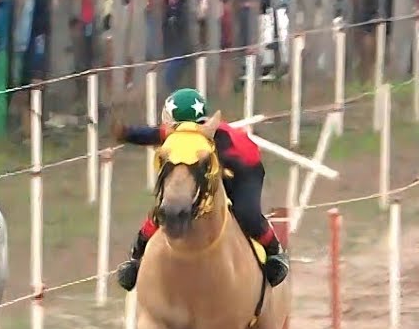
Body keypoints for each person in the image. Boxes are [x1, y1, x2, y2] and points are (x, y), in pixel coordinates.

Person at [110, 87, 289, 292]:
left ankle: (274, 251)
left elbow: (232, 160)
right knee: (169, 205)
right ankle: (136, 257)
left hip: (242, 172)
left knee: (245, 213)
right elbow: (152, 134)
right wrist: (126, 133)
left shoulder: (217, 136)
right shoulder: (181, 134)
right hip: (207, 170)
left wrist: (219, 174)